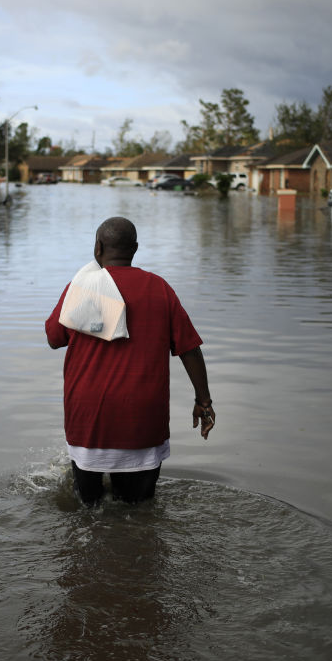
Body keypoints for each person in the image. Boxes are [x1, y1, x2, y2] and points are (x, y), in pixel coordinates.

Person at [45, 216, 214, 506]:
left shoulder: (82, 288)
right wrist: (204, 401)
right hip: (142, 421)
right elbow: (190, 349)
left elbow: (53, 338)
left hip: (88, 420)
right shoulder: (159, 288)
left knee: (87, 511)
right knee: (139, 510)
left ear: (98, 248)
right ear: (135, 249)